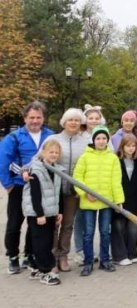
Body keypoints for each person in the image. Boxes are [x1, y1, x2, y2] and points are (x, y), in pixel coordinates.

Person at [1, 101, 53, 275]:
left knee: (35, 223)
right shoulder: (14, 137)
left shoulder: (50, 136)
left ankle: (30, 254)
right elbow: (4, 162)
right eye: (32, 117)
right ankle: (13, 256)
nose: (35, 121)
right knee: (15, 223)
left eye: (38, 117)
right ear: (25, 118)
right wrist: (8, 185)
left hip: (40, 187)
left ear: (43, 118)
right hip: (18, 186)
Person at [74, 126, 123, 276]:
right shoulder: (85, 157)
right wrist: (85, 193)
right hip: (89, 201)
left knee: (105, 232)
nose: (101, 141)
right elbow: (77, 178)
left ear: (108, 141)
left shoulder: (113, 158)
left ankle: (105, 260)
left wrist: (118, 200)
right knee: (88, 233)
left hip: (107, 202)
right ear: (93, 140)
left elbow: (116, 181)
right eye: (98, 138)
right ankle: (88, 262)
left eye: (104, 138)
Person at [42, 108, 86, 272]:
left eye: (76, 120)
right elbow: (38, 158)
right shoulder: (53, 138)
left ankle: (63, 255)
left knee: (68, 224)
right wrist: (26, 170)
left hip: (73, 191)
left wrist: (81, 188)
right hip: (53, 189)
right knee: (54, 224)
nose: (73, 123)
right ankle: (52, 256)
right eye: (70, 120)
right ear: (64, 122)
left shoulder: (84, 142)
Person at [22, 139, 64, 285]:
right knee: (42, 243)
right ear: (43, 152)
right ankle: (45, 271)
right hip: (38, 213)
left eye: (56, 152)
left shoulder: (56, 169)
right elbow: (35, 193)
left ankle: (36, 268)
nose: (54, 154)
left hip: (51, 211)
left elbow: (58, 193)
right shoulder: (36, 169)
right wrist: (39, 214)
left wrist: (59, 211)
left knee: (45, 242)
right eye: (51, 152)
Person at [112, 134, 137, 266]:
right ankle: (120, 255)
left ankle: (132, 252)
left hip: (135, 199)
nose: (131, 149)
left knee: (133, 228)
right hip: (119, 198)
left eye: (133, 146)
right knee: (119, 227)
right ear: (122, 146)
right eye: (128, 146)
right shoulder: (116, 160)